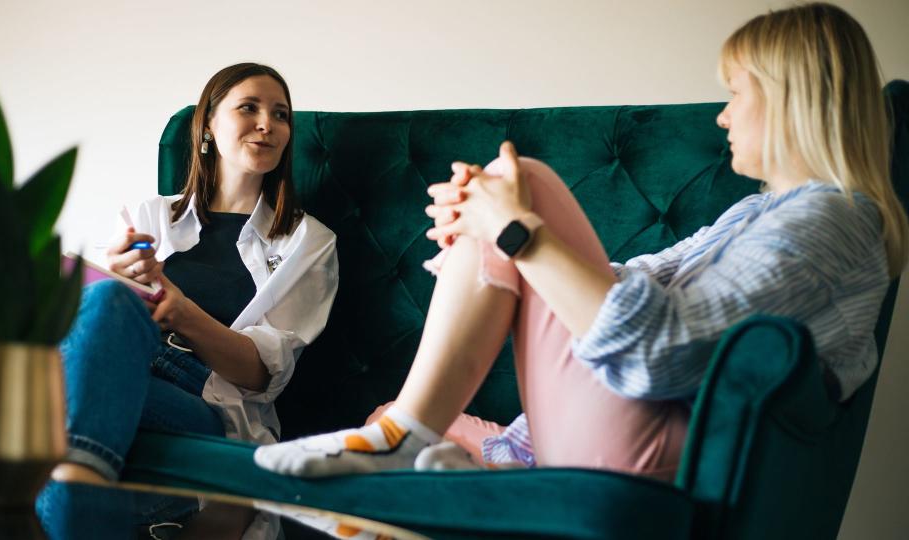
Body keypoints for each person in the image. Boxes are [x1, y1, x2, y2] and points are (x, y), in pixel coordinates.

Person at [253, 2, 908, 481]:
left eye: (737, 94)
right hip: (608, 428)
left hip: (645, 450)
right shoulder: (760, 217)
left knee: (525, 180)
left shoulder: (832, 222)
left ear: (792, 98)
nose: (723, 116)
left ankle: (412, 446)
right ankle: (415, 453)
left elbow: (662, 353)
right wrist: (493, 233)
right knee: (390, 412)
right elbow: (627, 279)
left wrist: (516, 229)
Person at [35, 63, 338, 538]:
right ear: (208, 126)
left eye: (280, 115)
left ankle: (64, 489)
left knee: (53, 392)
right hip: (128, 368)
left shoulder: (307, 240)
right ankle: (79, 492)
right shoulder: (148, 215)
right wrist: (114, 278)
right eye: (249, 108)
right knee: (102, 303)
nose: (268, 124)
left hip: (206, 396)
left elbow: (263, 374)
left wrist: (178, 310)